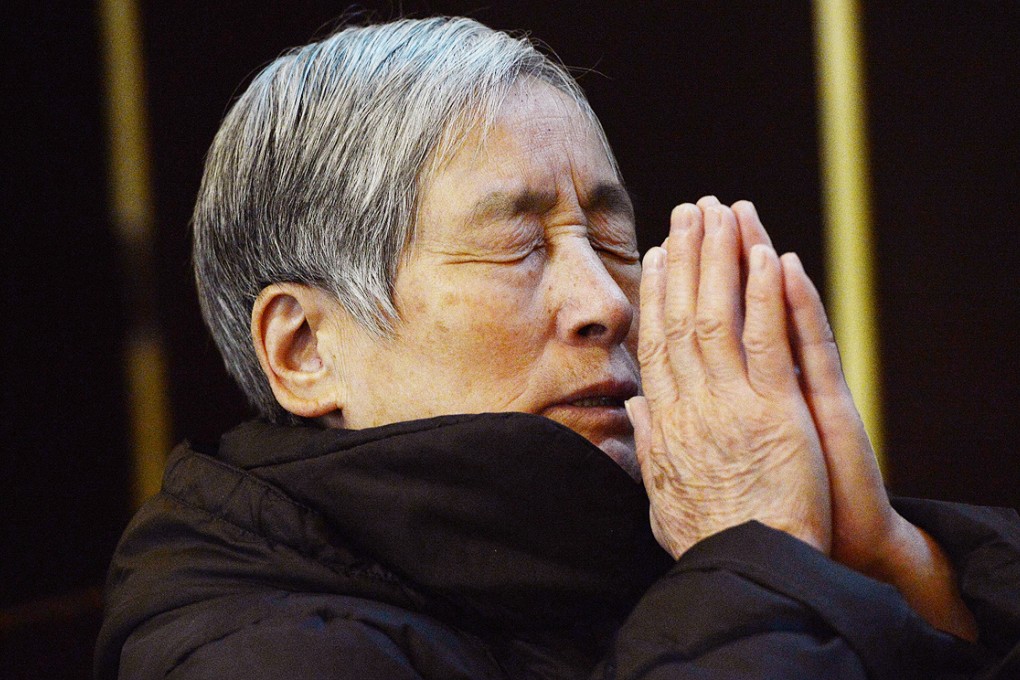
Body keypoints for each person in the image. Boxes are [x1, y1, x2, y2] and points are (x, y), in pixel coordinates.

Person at [95, 17, 1020, 679]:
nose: (603, 303)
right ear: (304, 349)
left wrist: (900, 574)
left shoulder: (674, 531)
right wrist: (758, 562)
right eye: (517, 245)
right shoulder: (243, 645)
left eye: (610, 240)